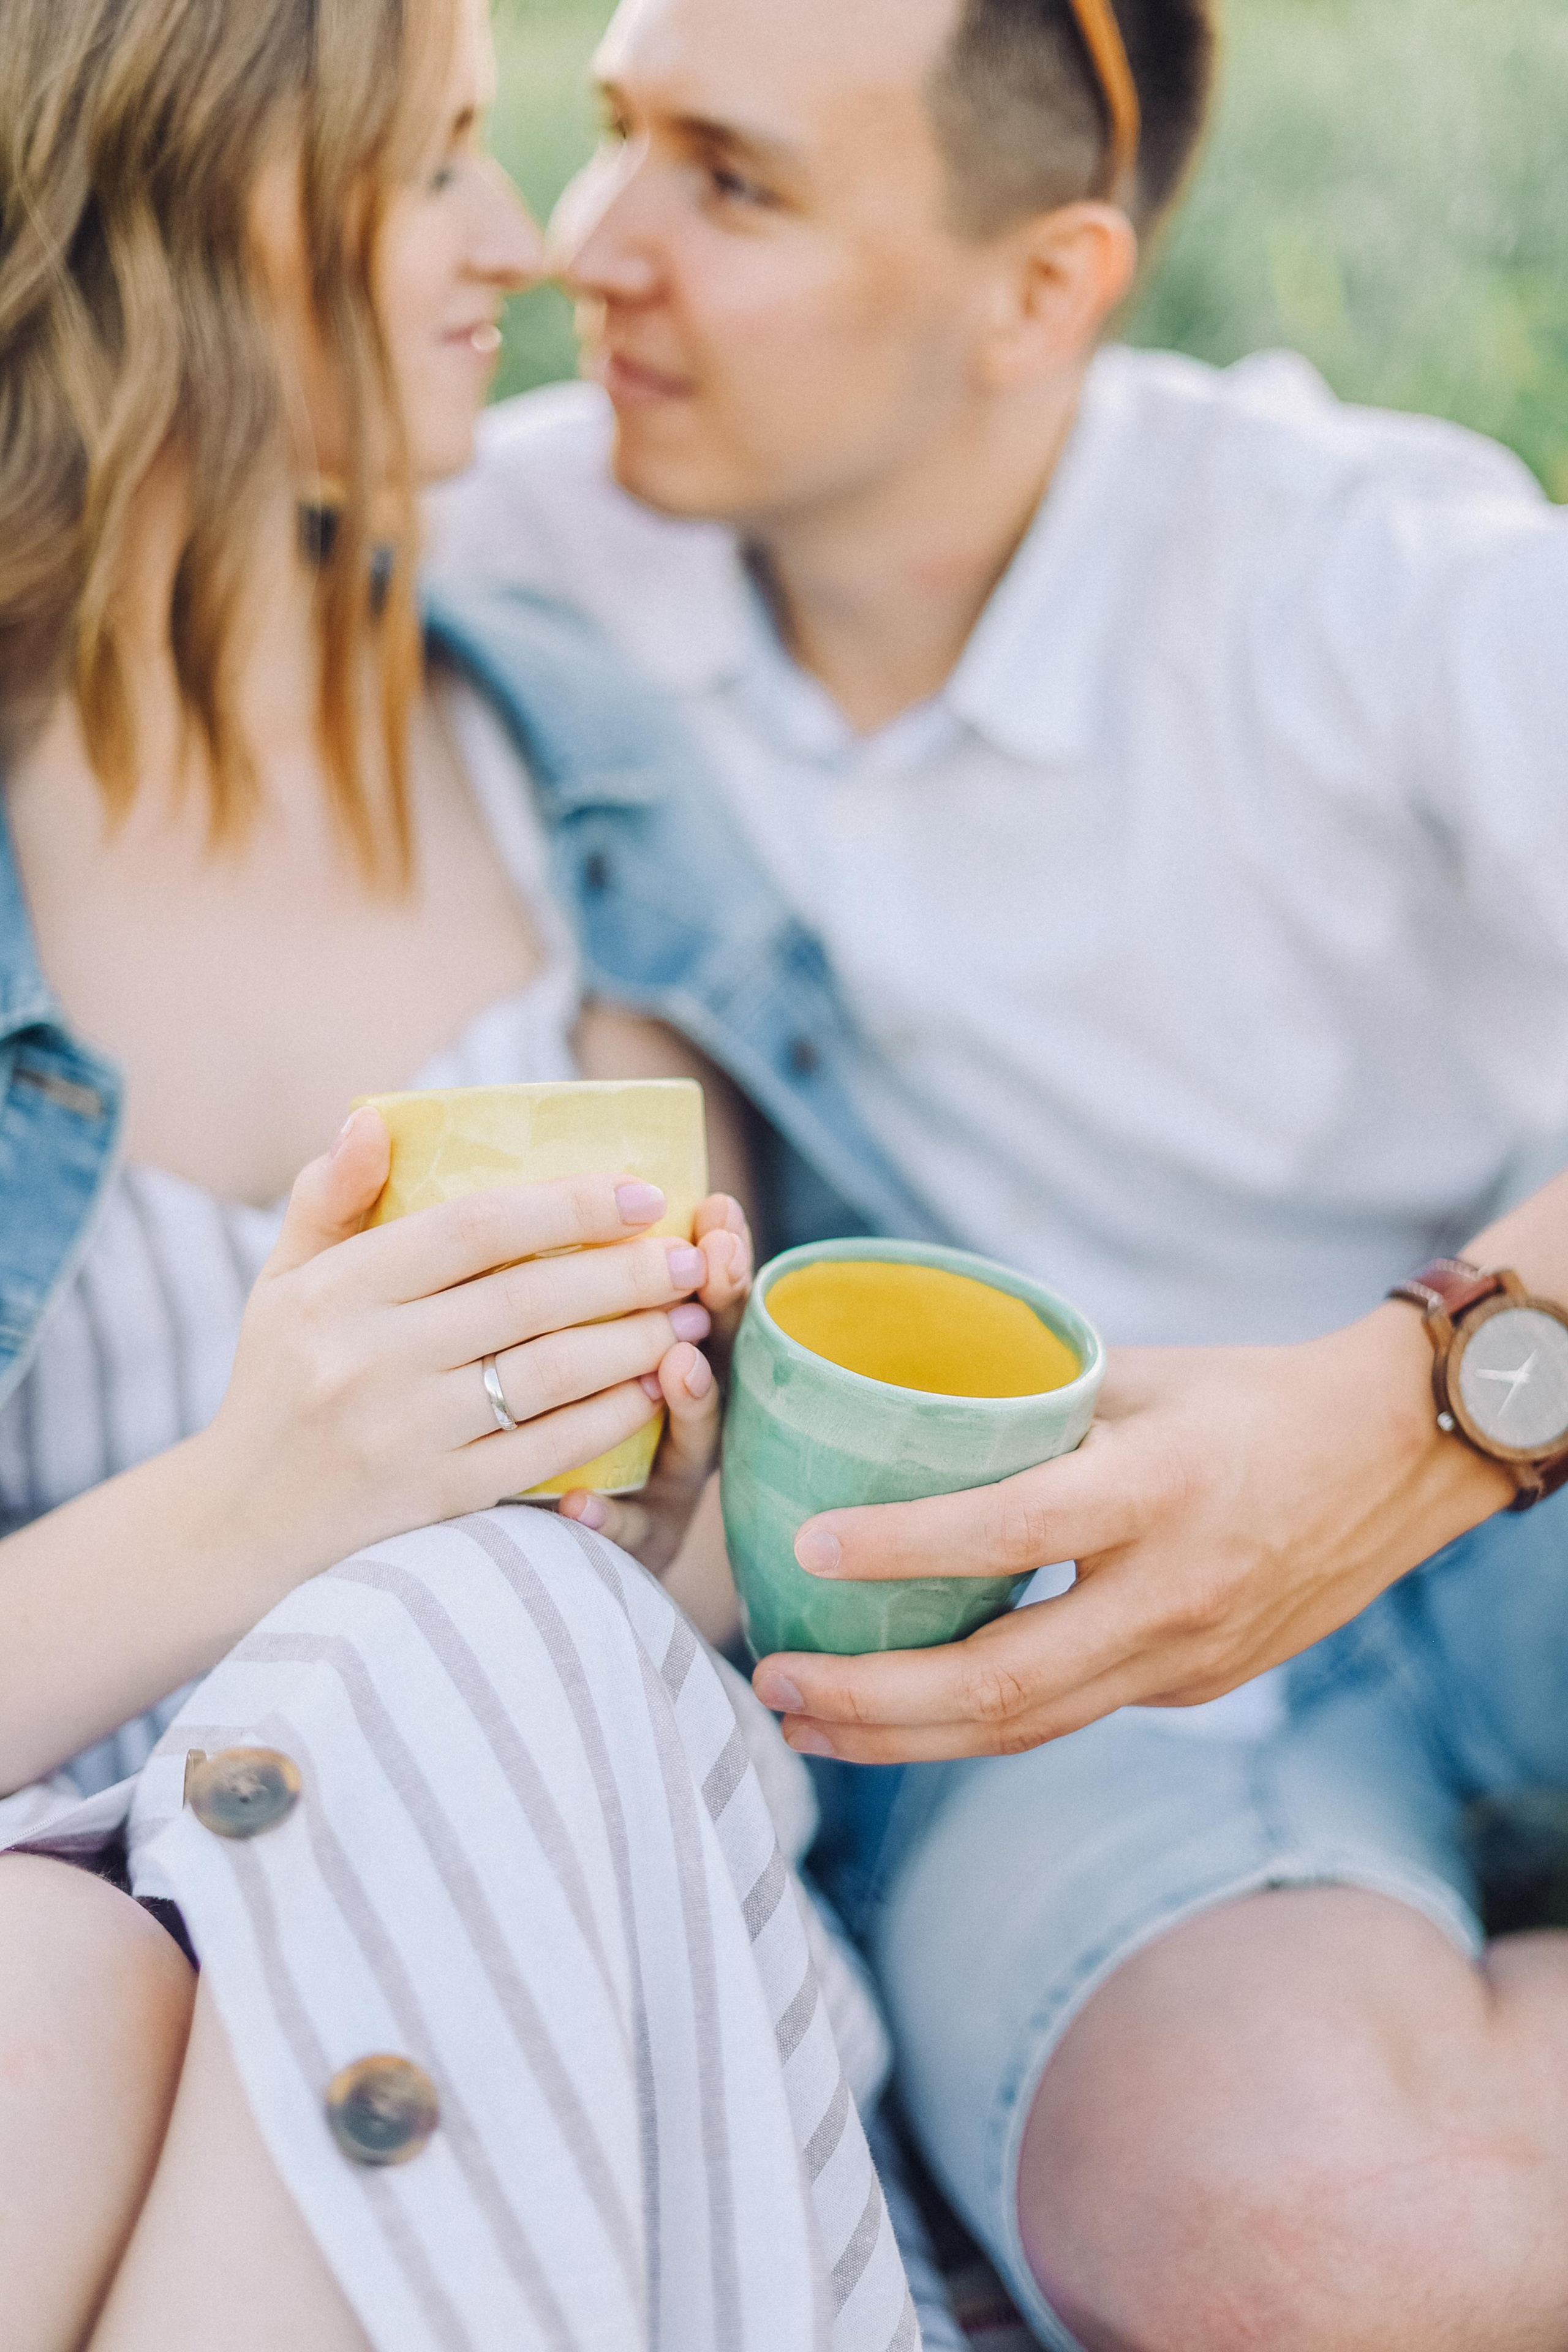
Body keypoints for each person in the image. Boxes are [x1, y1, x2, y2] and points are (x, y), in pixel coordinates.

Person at [423, 0, 1568, 2339]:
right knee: (1325, 2258)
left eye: (731, 184)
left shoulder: (1365, 560)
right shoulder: (501, 548)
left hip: (1509, 1470)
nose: (587, 244)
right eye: (613, 131)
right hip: (1032, 1635)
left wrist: (1417, 1413)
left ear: (1041, 289)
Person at [0, 2, 926, 2345]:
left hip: (568, 1911)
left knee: (488, 1624)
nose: (519, 247)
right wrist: (257, 1510)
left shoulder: (562, 756)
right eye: (430, 169)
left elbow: (710, 1586)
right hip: (96, 1994)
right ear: (159, 202)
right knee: (43, 1976)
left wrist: (651, 1533)